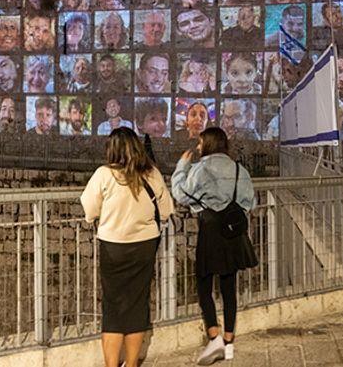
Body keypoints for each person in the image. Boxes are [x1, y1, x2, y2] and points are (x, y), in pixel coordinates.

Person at [80, 127, 173, 367]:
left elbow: (90, 211)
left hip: (114, 247)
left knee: (113, 306)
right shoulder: (152, 174)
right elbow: (166, 211)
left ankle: (112, 365)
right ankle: (131, 364)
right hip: (144, 246)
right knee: (136, 304)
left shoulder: (103, 175)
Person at [170, 127, 258, 365]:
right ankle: (229, 344)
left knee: (204, 282)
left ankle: (214, 336)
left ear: (207, 144)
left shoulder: (202, 168)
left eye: (200, 143)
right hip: (231, 233)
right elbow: (251, 201)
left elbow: (180, 194)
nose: (197, 147)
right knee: (229, 287)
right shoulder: (239, 169)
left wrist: (182, 166)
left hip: (210, 232)